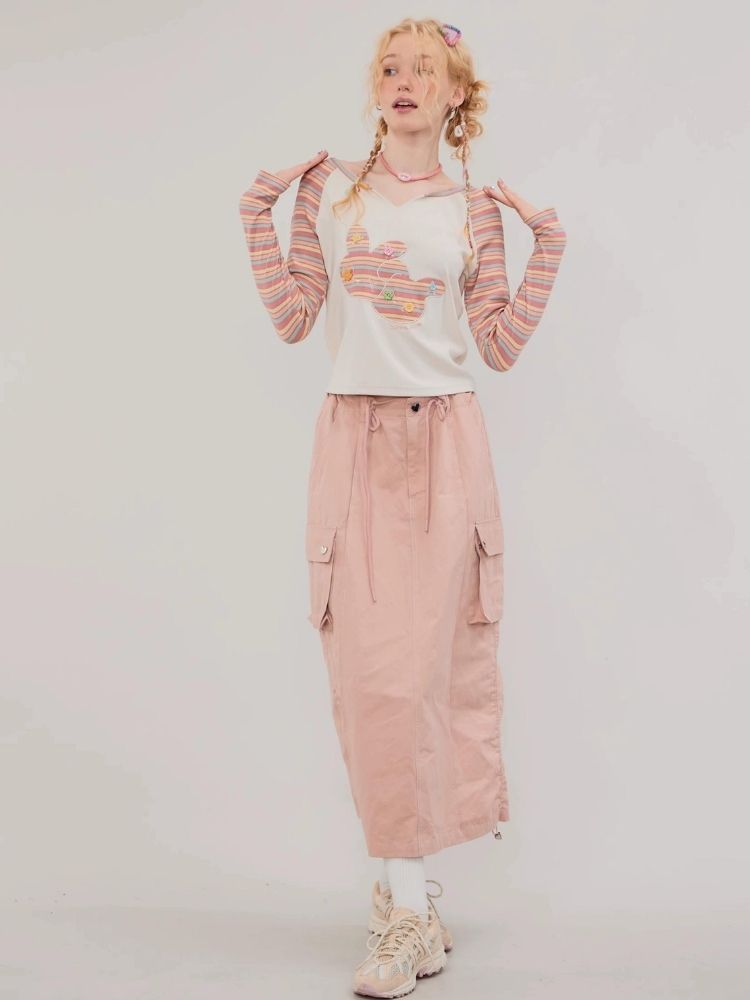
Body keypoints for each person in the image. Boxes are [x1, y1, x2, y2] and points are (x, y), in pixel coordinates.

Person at [238, 16, 567, 997]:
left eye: (426, 68)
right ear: (376, 88)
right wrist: (258, 215)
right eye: (390, 66)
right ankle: (410, 910)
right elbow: (295, 318)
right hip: (354, 441)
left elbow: (498, 344)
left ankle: (407, 909)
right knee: (373, 679)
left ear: (457, 94)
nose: (404, 79)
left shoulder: (474, 212)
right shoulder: (331, 196)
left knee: (425, 676)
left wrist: (547, 247)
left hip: (448, 444)